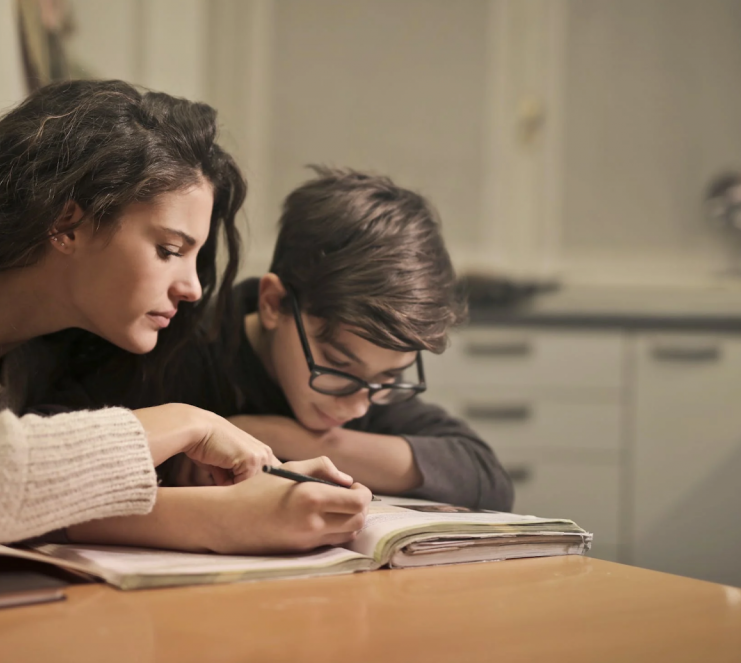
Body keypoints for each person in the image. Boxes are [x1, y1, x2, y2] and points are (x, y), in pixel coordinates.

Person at [0, 81, 369, 555]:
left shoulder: (36, 358)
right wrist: (186, 423)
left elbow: (13, 504)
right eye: (170, 249)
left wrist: (236, 508)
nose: (194, 288)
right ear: (67, 222)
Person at [66, 167, 514, 511]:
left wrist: (288, 438)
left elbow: (485, 477)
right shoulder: (171, 348)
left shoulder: (367, 384)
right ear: (274, 303)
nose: (357, 405)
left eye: (390, 378)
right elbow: (55, 461)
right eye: (338, 366)